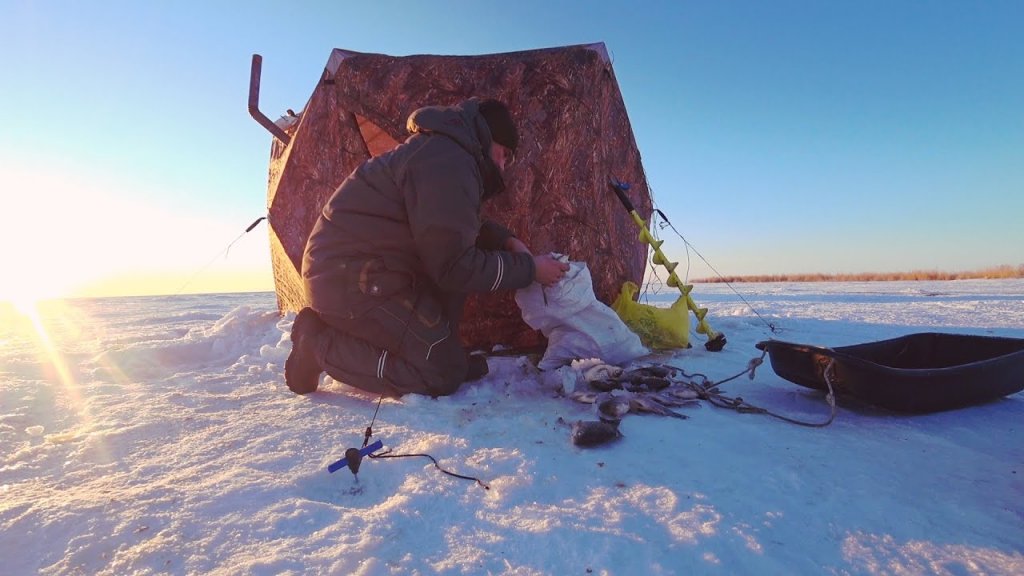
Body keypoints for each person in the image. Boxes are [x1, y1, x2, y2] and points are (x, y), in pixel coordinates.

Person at [285, 98, 569, 398]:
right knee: (440, 374)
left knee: (446, 336)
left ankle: (443, 355)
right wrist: (531, 269)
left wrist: (505, 240)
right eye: (504, 154)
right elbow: (455, 266)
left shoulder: (445, 154)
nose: (502, 166)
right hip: (348, 280)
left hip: (361, 272)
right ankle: (317, 345)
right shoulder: (447, 161)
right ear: (489, 138)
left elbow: (450, 225)